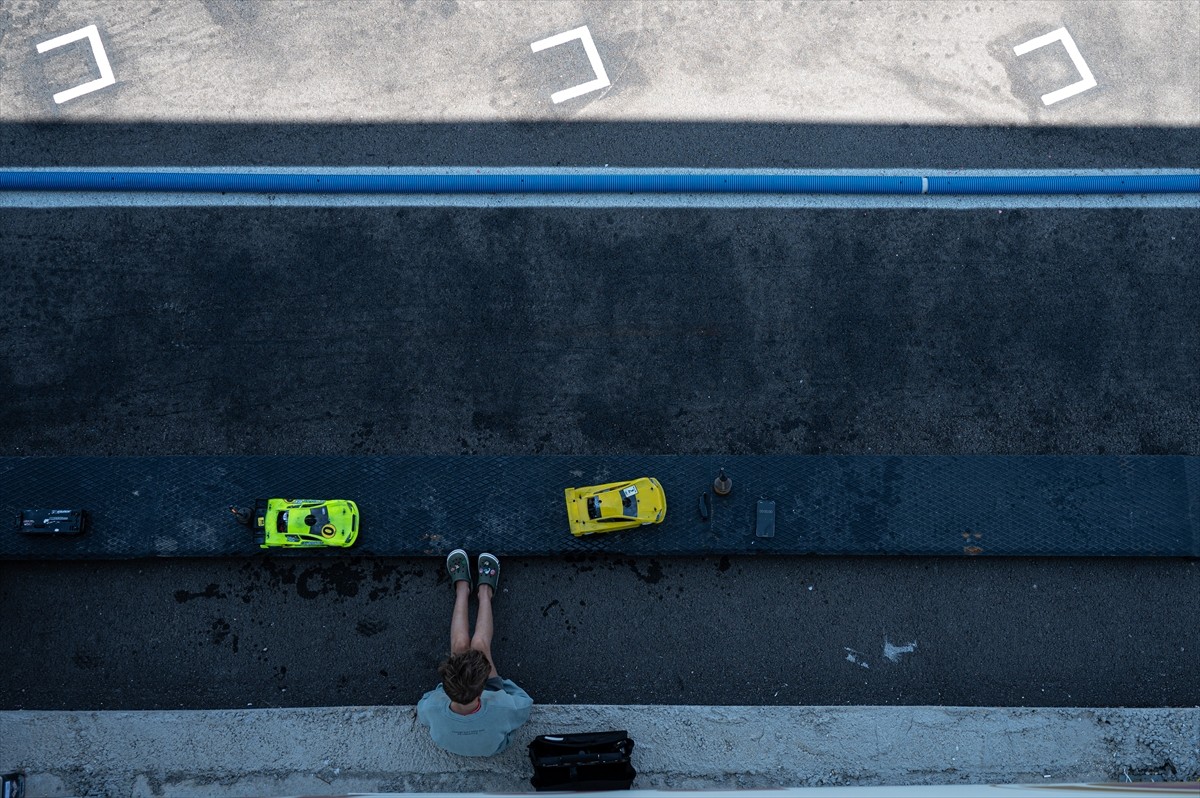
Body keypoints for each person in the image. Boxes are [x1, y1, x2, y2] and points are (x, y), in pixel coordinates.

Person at [417, 549, 533, 756]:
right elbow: (524, 703)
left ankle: (463, 588)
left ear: (446, 688)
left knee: (464, 645)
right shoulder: (503, 706)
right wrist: (502, 687)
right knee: (478, 644)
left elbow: (425, 705)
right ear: (482, 691)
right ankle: (484, 593)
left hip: (464, 703)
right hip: (494, 741)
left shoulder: (434, 707)